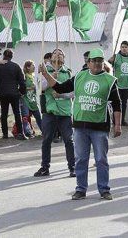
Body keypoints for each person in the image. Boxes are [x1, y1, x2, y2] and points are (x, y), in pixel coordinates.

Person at [42, 48, 121, 200]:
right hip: (80, 126)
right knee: (81, 159)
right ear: (88, 63)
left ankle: (104, 189)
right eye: (94, 60)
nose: (97, 63)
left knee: (101, 160)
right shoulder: (79, 76)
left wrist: (117, 125)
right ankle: (80, 189)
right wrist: (46, 74)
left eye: (100, 60)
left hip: (99, 127)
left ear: (103, 63)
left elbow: (117, 104)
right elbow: (60, 87)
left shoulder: (110, 80)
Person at [34, 48, 76, 178]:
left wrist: (61, 94)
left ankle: (72, 167)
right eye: (55, 53)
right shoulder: (43, 70)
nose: (58, 55)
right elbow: (40, 88)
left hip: (65, 112)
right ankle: (45, 167)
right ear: (50, 57)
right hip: (50, 111)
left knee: (69, 140)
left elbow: (73, 92)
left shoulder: (68, 72)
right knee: (47, 140)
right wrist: (50, 78)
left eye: (61, 54)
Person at [0, 49, 27, 140]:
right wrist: (22, 92)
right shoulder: (16, 66)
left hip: (2, 93)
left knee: (4, 114)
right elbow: (22, 82)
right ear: (12, 56)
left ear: (3, 56)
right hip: (14, 93)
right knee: (17, 113)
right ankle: (20, 133)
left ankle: (5, 134)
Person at [108, 41, 128, 126]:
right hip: (117, 84)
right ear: (120, 48)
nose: (124, 49)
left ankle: (122, 120)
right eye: (122, 47)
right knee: (116, 102)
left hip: (127, 84)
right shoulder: (116, 57)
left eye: (126, 47)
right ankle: (115, 121)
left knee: (124, 103)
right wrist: (111, 60)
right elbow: (108, 63)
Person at [21, 60, 43, 137]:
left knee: (38, 116)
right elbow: (21, 88)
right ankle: (27, 132)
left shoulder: (33, 77)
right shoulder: (24, 77)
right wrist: (30, 88)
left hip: (33, 100)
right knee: (25, 116)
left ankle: (43, 130)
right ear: (28, 67)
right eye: (32, 65)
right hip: (25, 99)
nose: (34, 67)